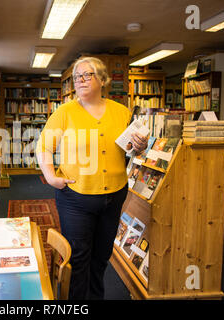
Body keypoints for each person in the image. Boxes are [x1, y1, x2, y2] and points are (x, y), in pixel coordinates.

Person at [35, 56, 148, 300]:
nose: (81, 80)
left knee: (101, 256)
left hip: (114, 195)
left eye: (87, 75)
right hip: (76, 199)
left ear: (103, 80)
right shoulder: (64, 113)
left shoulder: (122, 112)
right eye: (77, 76)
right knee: (78, 258)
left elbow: (130, 149)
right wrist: (51, 176)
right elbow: (44, 147)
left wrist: (140, 146)